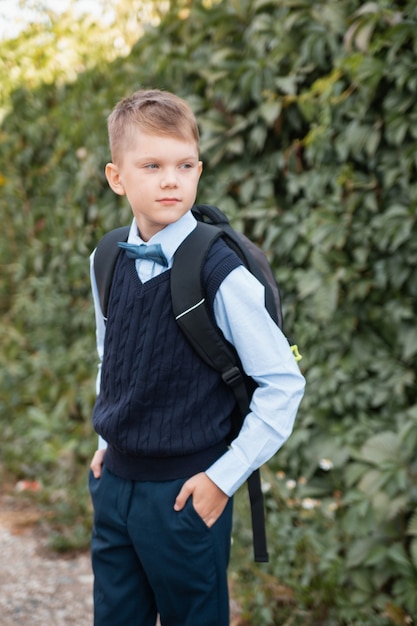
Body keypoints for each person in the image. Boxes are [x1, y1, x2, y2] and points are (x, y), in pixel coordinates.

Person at [89, 88, 305, 626]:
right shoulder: (107, 257)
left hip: (186, 494)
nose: (170, 179)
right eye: (152, 165)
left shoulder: (217, 269)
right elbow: (109, 354)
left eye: (184, 165)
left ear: (199, 170)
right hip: (115, 485)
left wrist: (222, 477)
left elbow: (282, 383)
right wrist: (103, 444)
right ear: (117, 177)